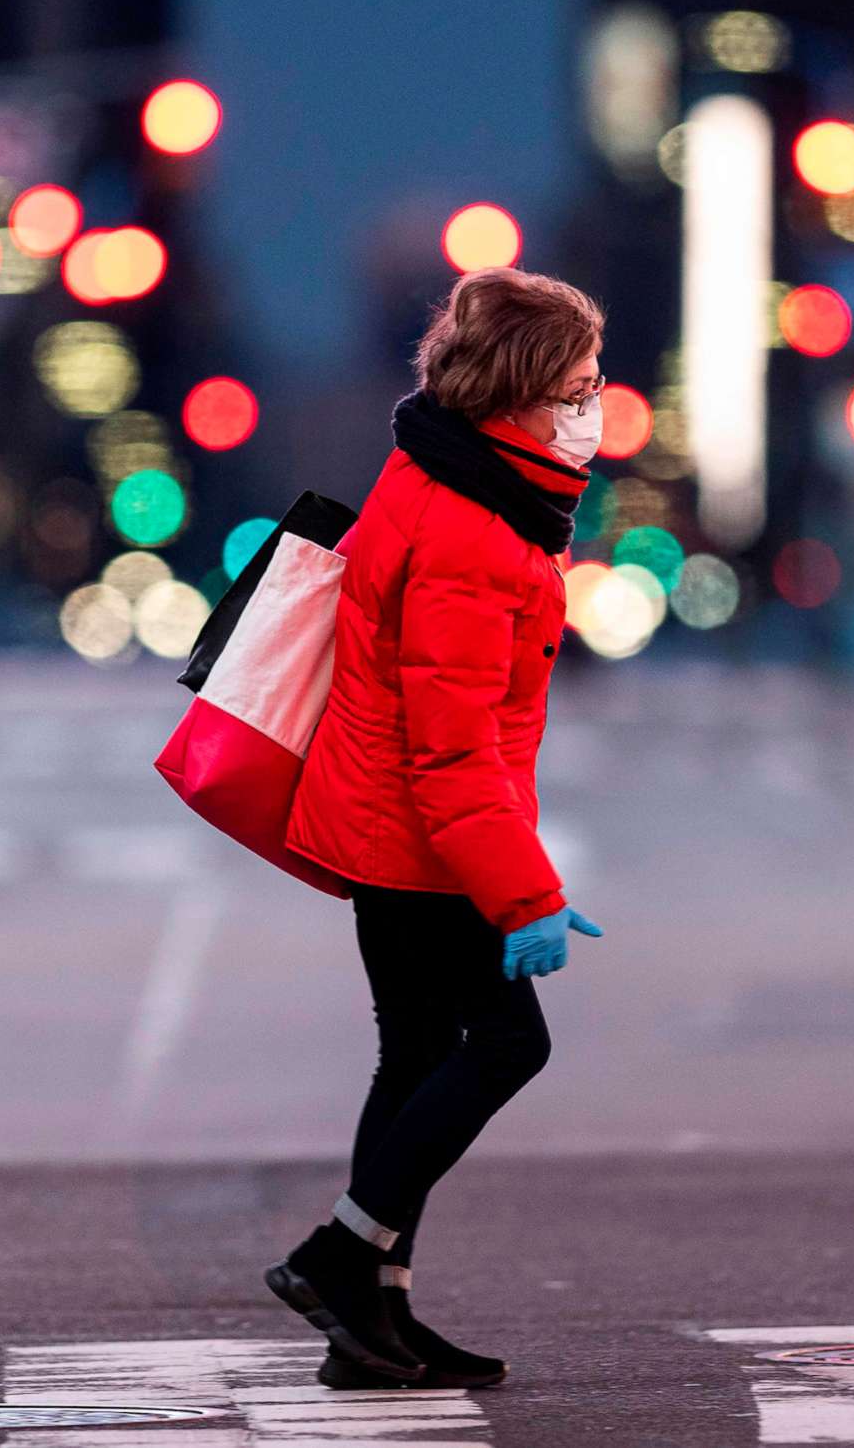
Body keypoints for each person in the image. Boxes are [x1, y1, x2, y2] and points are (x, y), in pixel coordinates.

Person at [267, 266, 611, 1390]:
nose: (593, 403)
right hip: (420, 841)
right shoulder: (473, 531)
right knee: (512, 1043)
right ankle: (340, 1251)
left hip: (396, 829)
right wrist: (526, 894)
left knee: (414, 1055)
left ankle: (373, 1320)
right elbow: (451, 749)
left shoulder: (447, 474)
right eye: (577, 382)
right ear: (518, 392)